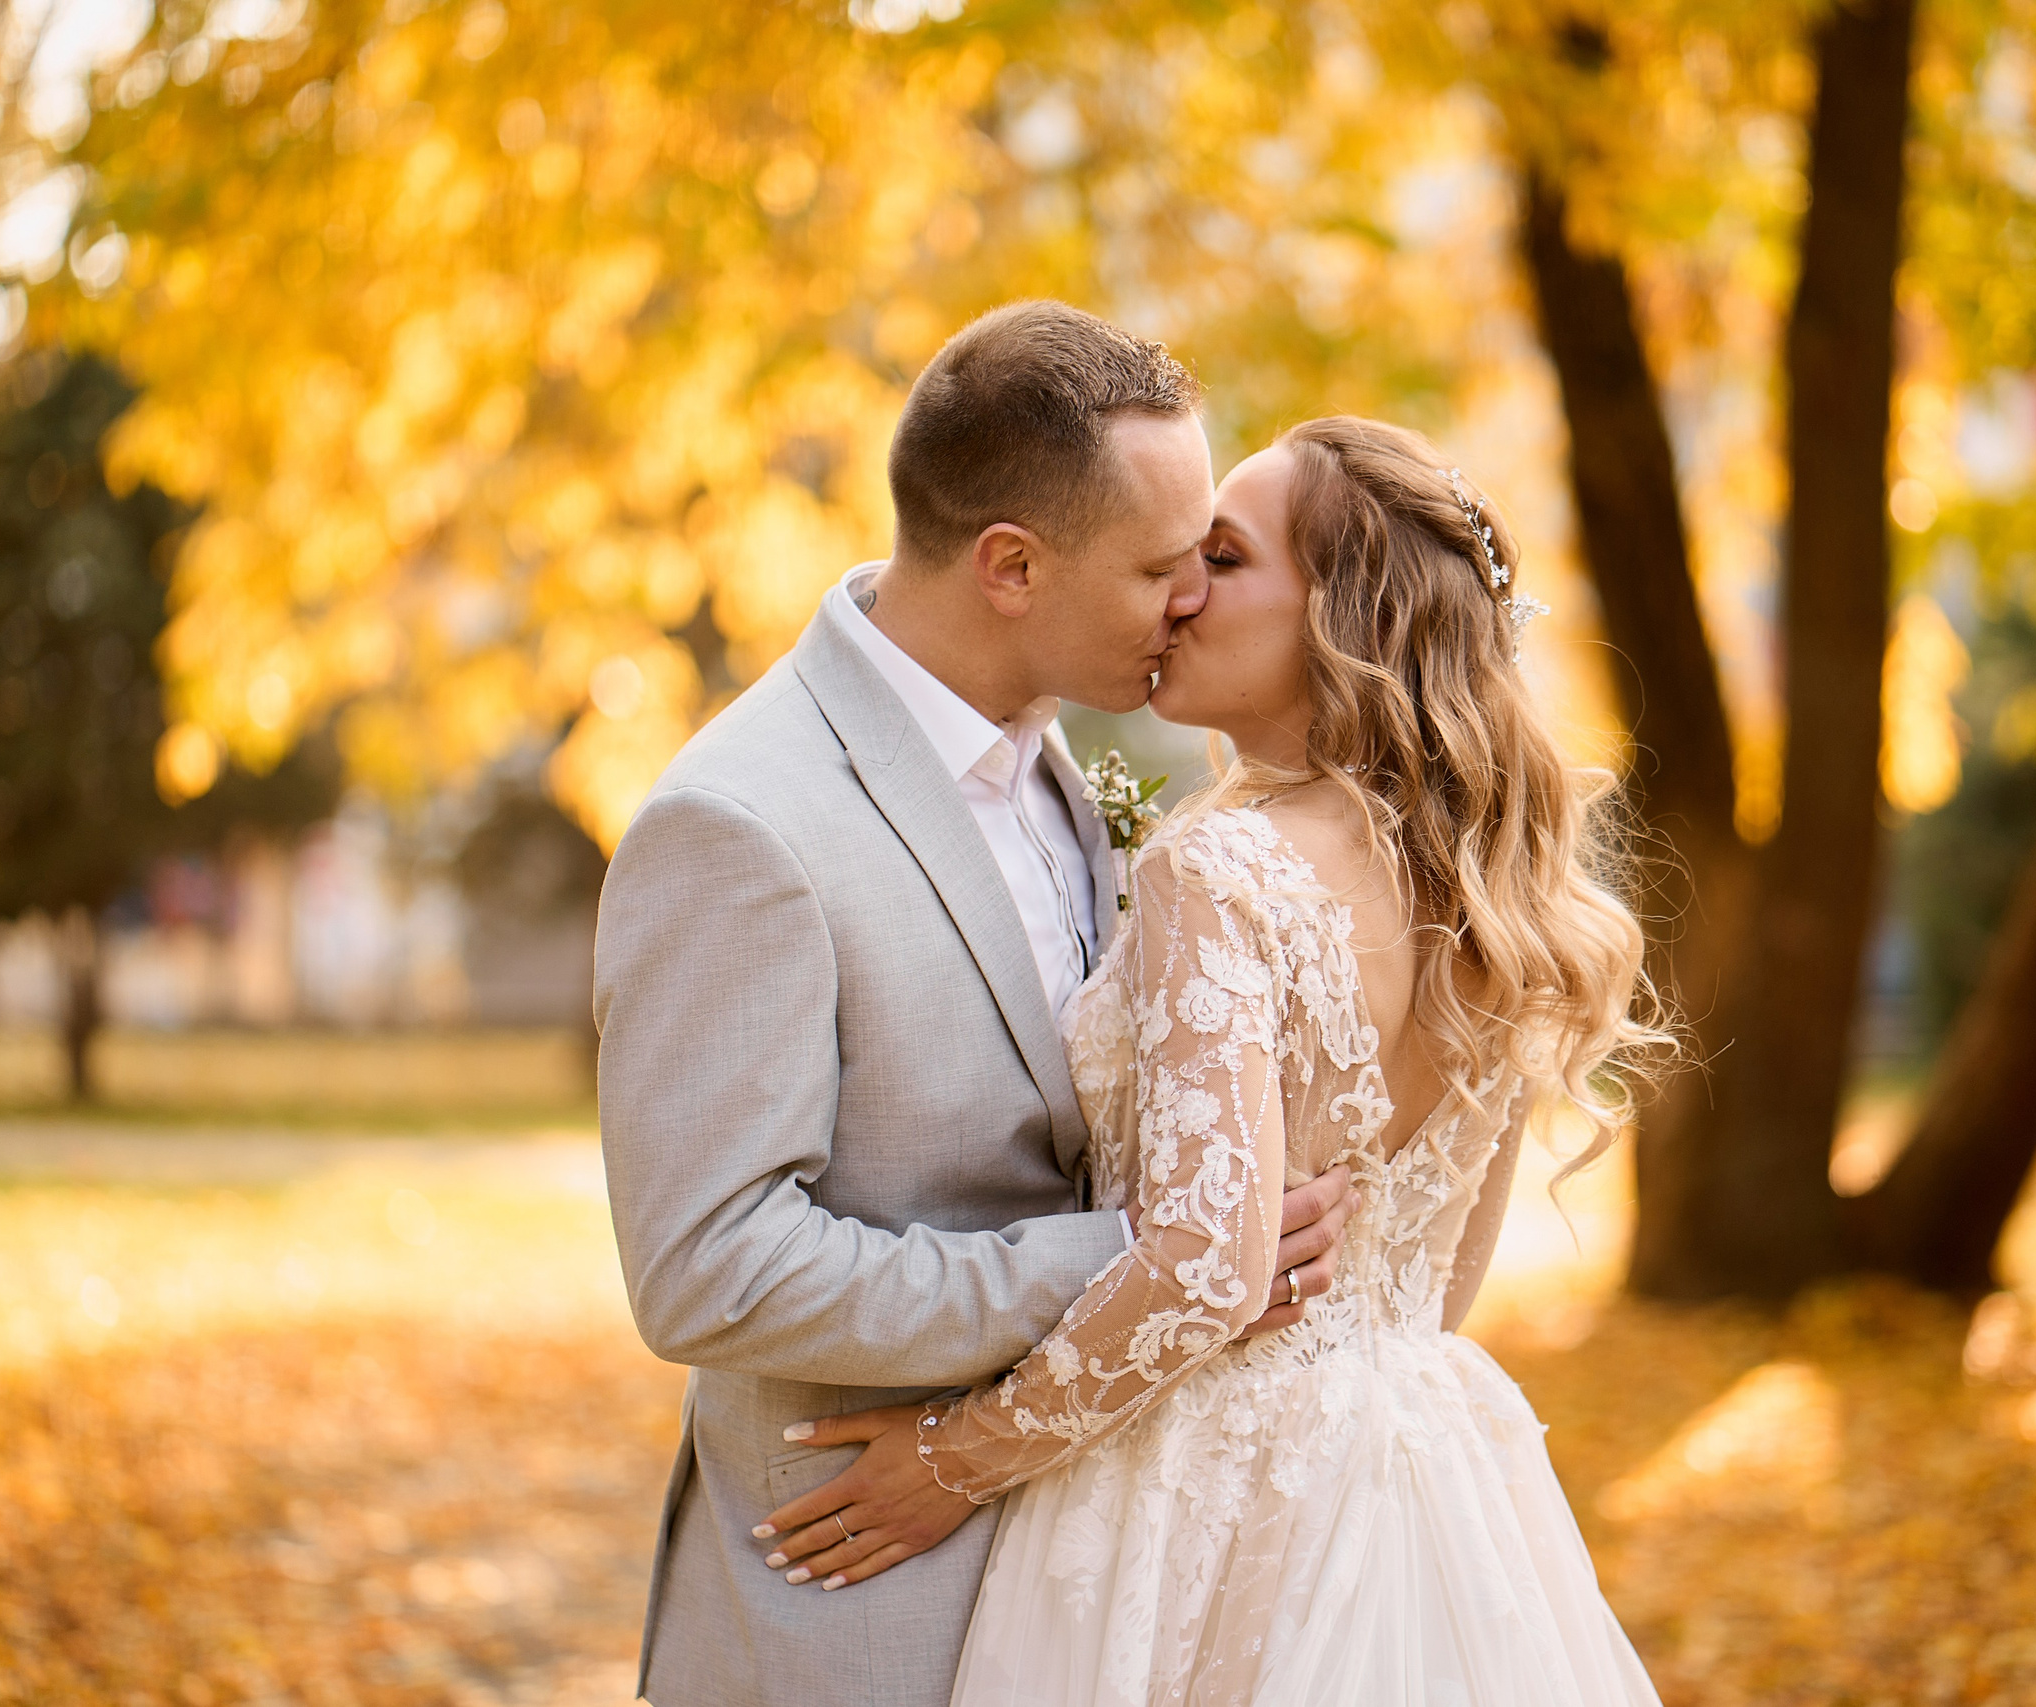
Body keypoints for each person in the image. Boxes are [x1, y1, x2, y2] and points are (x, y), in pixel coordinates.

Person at [751, 416, 1670, 1704]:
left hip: (1204, 1493)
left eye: (1223, 559)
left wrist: (951, 1461)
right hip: (1429, 1481)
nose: (1178, 594)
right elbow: (1435, 1286)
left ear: (1344, 616)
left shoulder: (1216, 869)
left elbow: (1203, 1265)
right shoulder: (1497, 903)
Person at [593, 302, 1358, 1707]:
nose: (1191, 601)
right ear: (1011, 565)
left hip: (1095, 1592)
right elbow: (713, 1267)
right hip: (856, 1612)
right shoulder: (742, 825)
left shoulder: (1088, 780)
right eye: (1159, 570)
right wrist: (1150, 1254)